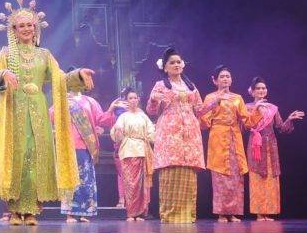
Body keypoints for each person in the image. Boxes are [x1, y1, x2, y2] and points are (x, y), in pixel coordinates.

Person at [0, 0, 95, 226]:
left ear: (36, 29)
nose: (26, 29)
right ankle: (14, 210)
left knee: (35, 158)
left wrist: (78, 75)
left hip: (38, 115)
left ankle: (32, 209)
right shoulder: (6, 54)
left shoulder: (44, 55)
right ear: (13, 29)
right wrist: (3, 75)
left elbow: (60, 79)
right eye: (21, 25)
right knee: (16, 158)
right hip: (13, 112)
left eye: (30, 25)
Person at [147, 47, 210, 223]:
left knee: (188, 173)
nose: (176, 64)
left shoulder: (191, 86)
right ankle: (169, 216)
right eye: (172, 62)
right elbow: (152, 111)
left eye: (178, 62)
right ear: (165, 67)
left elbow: (199, 109)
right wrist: (153, 99)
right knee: (171, 170)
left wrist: (214, 102)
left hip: (190, 132)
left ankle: (187, 215)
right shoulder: (160, 85)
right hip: (169, 132)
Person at [200, 66, 262, 222]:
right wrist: (215, 103)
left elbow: (247, 122)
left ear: (231, 79)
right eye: (222, 76)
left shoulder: (237, 98)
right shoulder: (209, 97)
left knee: (235, 176)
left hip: (235, 137)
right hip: (218, 137)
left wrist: (257, 110)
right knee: (220, 176)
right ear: (214, 80)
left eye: (228, 76)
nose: (225, 79)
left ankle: (233, 212)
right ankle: (222, 213)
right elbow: (204, 123)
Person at [51, 86, 117, 222]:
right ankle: (69, 213)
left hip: (85, 144)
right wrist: (61, 103)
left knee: (86, 180)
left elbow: (102, 119)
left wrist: (110, 109)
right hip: (67, 144)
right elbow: (51, 117)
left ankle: (83, 213)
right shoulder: (62, 101)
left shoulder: (90, 101)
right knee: (69, 178)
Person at [245, 76, 305, 220]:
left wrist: (289, 119)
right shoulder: (247, 107)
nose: (261, 90)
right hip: (256, 146)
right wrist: (256, 109)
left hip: (271, 147)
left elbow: (282, 128)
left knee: (271, 178)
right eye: (258, 88)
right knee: (257, 177)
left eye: (263, 88)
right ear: (252, 91)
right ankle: (259, 213)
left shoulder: (272, 108)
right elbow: (246, 125)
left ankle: (268, 212)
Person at [110, 89, 156, 220]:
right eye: (130, 98)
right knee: (130, 183)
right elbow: (116, 136)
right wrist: (118, 132)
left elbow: (151, 133)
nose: (133, 100)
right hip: (128, 151)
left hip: (142, 150)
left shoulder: (143, 116)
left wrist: (159, 130)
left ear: (138, 100)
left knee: (142, 184)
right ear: (127, 101)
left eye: (135, 98)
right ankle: (131, 213)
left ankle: (141, 213)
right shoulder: (123, 117)